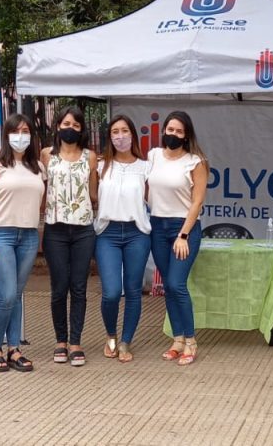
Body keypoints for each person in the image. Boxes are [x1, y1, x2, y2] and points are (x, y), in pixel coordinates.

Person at [0, 113, 44, 373]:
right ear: (6, 135)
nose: (21, 135)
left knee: (17, 295)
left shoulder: (37, 166)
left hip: (27, 236)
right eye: (16, 131)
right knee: (5, 296)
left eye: (26, 130)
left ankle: (14, 349)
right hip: (1, 235)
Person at [147, 110, 208, 366]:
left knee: (176, 284)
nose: (173, 134)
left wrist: (183, 234)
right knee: (168, 289)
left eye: (179, 131)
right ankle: (177, 339)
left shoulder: (196, 161)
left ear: (186, 136)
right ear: (164, 131)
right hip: (157, 227)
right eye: (170, 130)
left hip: (184, 228)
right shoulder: (152, 156)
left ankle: (191, 341)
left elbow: (197, 201)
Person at [41, 105, 98, 367]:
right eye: (66, 124)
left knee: (79, 287)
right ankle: (60, 341)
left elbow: (93, 194)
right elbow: (41, 192)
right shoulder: (46, 155)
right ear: (57, 126)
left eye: (76, 125)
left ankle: (76, 342)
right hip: (55, 229)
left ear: (82, 129)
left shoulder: (91, 157)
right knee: (58, 287)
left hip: (83, 229)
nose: (70, 129)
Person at [94, 114, 151, 363]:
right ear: (110, 138)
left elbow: (153, 199)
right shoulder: (99, 166)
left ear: (133, 135)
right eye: (115, 132)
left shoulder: (146, 167)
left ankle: (126, 341)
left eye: (125, 131)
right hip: (107, 233)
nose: (120, 136)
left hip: (136, 233)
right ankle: (111, 335)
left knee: (133, 291)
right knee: (111, 292)